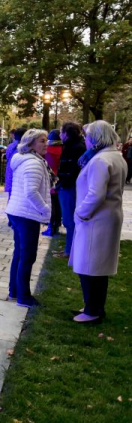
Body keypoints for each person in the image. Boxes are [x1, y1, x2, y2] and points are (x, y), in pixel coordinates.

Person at [69, 121, 127, 323]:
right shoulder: (113, 156)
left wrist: (81, 213)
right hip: (105, 217)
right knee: (97, 266)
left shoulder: (100, 160)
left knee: (90, 266)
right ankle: (94, 306)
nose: (85, 140)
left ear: (95, 139)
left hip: (96, 218)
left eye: (87, 136)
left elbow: (95, 194)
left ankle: (92, 311)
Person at [4, 129, 52, 308]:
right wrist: (45, 210)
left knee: (20, 253)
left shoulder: (25, 160)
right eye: (42, 141)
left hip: (18, 211)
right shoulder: (33, 163)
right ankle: (23, 296)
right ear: (31, 143)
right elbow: (31, 191)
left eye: (46, 140)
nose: (45, 144)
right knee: (27, 255)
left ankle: (14, 291)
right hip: (26, 214)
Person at [54, 122, 85, 259]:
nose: (60, 135)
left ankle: (70, 251)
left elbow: (72, 171)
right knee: (68, 219)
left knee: (69, 220)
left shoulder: (74, 147)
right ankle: (69, 248)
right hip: (68, 186)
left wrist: (61, 183)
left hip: (69, 187)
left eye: (61, 132)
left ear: (67, 134)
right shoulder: (73, 145)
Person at [42, 129, 63, 236]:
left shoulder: (47, 149)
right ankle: (57, 224)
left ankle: (51, 227)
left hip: (50, 179)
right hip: (61, 179)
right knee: (58, 204)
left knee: (51, 205)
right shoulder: (63, 149)